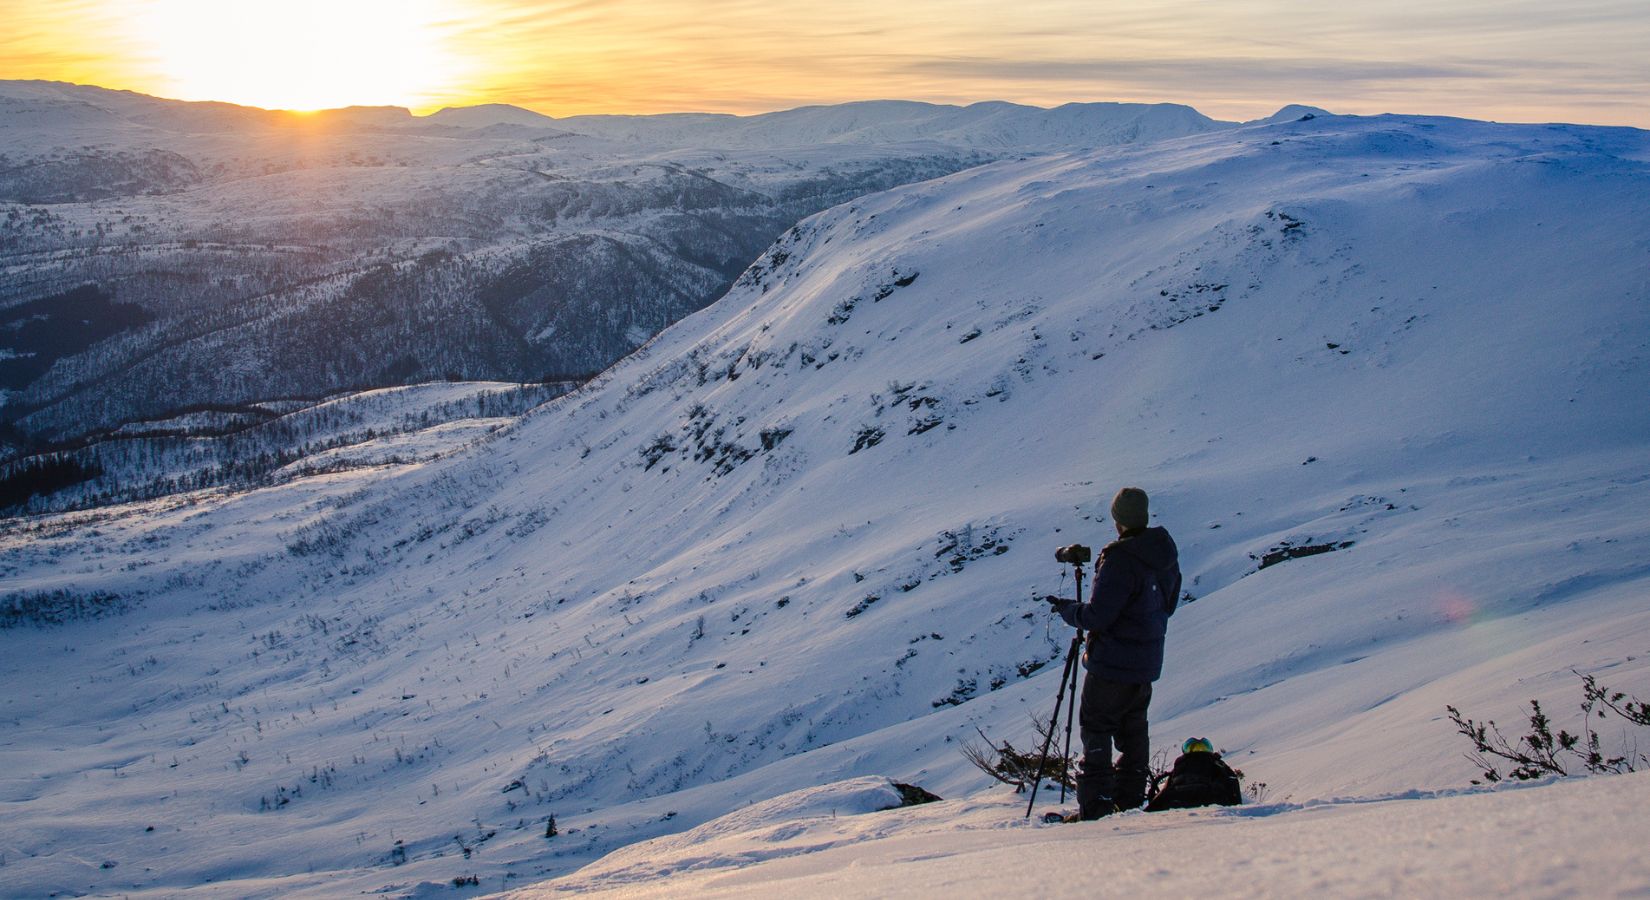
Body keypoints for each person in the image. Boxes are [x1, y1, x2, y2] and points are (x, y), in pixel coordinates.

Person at [1051, 486, 1181, 820]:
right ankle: (1130, 805)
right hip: (1146, 665)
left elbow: (1099, 616)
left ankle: (1095, 811)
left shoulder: (1120, 559)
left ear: (1118, 521)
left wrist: (1069, 611)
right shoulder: (1163, 553)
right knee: (1134, 733)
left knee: (1096, 729)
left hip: (1111, 666)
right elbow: (1168, 605)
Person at [1146, 737, 1243, 811]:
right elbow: (1232, 782)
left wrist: (1151, 808)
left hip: (1176, 802)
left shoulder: (1179, 765)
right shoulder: (1217, 763)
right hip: (1213, 801)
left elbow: (1165, 790)